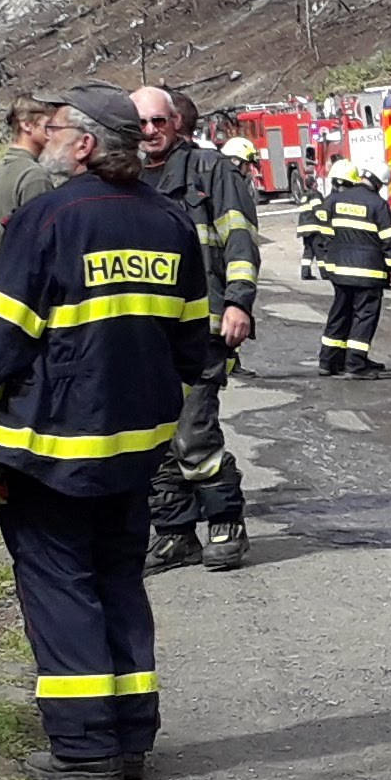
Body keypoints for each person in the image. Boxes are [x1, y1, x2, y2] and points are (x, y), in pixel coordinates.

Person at [0, 87, 215, 780]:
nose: (49, 140)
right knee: (119, 582)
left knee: (60, 586)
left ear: (88, 144)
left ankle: (85, 747)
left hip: (50, 450)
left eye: (60, 130)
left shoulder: (47, 218)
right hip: (136, 449)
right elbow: (194, 345)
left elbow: (1, 338)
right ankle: (131, 736)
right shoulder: (170, 221)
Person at [130, 83, 260, 571]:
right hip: (142, 331)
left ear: (175, 123)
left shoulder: (210, 170)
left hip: (202, 327)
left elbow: (240, 241)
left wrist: (238, 303)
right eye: (140, 123)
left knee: (192, 432)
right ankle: (173, 532)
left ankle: (226, 523)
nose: (149, 132)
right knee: (154, 436)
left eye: (158, 122)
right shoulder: (124, 174)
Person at [304, 163, 391, 377]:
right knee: (364, 316)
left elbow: (320, 223)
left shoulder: (335, 199)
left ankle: (328, 361)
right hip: (369, 273)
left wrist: (330, 249)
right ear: (379, 183)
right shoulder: (378, 204)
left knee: (339, 313)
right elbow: (388, 240)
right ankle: (355, 363)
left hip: (340, 269)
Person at [0, 97, 58, 275]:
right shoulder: (35, 176)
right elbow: (43, 243)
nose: (53, 133)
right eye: (49, 126)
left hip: (3, 278)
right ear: (26, 125)